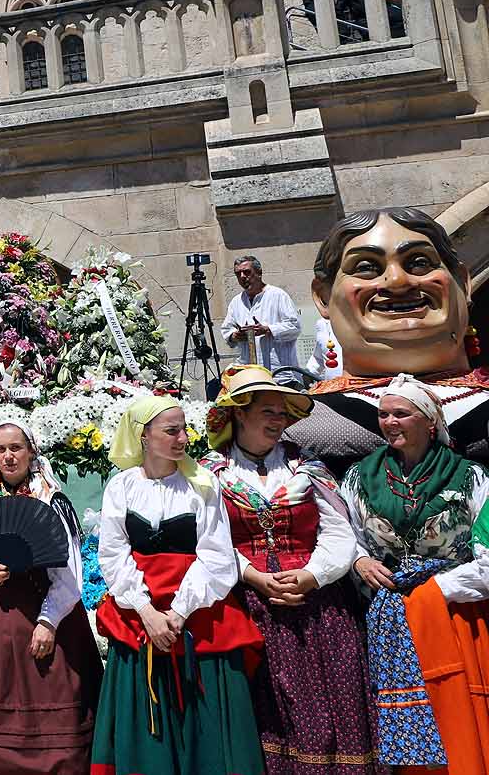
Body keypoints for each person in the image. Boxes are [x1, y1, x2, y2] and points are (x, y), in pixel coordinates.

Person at [199, 365, 379, 775]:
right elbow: (210, 539)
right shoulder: (211, 475)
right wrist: (254, 576)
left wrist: (312, 575)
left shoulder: (309, 469)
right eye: (268, 410)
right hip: (252, 606)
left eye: (282, 412)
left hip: (320, 604)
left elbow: (339, 532)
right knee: (271, 707)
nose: (278, 420)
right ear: (240, 413)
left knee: (338, 696)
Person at [90, 397, 265, 775]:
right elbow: (113, 555)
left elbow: (217, 556)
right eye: (172, 430)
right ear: (144, 436)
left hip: (197, 616)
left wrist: (179, 612)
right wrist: (147, 611)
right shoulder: (121, 487)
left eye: (184, 429)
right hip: (140, 616)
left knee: (205, 727)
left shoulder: (202, 485)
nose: (183, 438)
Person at [340, 375, 489, 772]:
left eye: (401, 414)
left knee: (455, 710)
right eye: (384, 414)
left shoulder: (471, 476)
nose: (389, 422)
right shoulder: (360, 476)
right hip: (388, 616)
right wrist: (359, 561)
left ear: (429, 421)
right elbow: (345, 534)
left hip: (453, 612)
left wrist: (433, 590)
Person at [0, 421, 101, 775]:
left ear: (31, 451)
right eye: (0, 450)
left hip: (44, 618)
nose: (8, 456)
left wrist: (48, 622)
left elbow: (70, 573)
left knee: (52, 721)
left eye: (15, 447)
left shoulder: (51, 500)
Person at [308, 206, 489, 460]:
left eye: (419, 263)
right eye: (366, 267)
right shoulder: (292, 425)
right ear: (323, 298)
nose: (397, 281)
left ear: (463, 282)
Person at [219, 256, 302, 370]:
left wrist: (268, 330)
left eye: (247, 272)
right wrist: (236, 335)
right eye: (238, 274)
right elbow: (227, 330)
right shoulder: (236, 302)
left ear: (259, 273)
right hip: (250, 373)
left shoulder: (277, 295)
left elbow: (295, 327)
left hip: (279, 374)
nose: (242, 277)